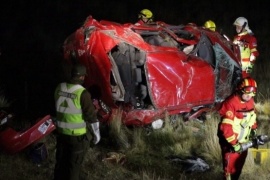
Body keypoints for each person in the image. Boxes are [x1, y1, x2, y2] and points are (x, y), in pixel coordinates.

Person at [53, 63, 100, 180]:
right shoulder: (83, 93)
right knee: (73, 167)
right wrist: (97, 135)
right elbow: (91, 117)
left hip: (61, 134)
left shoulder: (59, 87)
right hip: (77, 137)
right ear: (82, 77)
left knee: (60, 164)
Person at [217, 77, 258, 180]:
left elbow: (252, 117)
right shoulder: (230, 103)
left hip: (243, 142)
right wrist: (234, 144)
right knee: (229, 172)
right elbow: (226, 127)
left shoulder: (250, 102)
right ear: (240, 89)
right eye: (247, 93)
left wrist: (253, 129)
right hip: (231, 143)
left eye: (252, 94)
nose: (249, 96)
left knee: (238, 168)